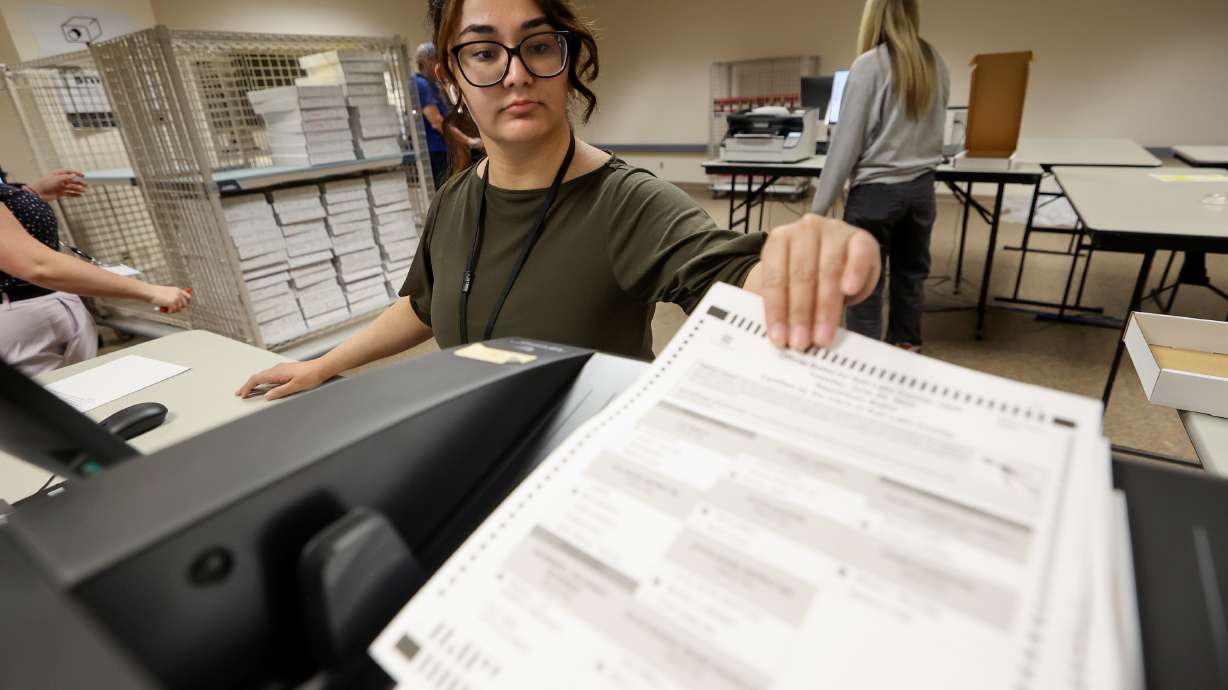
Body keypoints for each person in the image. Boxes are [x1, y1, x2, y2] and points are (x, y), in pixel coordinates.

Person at [237, 0, 880, 401]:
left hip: (582, 479)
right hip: (477, 446)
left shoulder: (628, 204)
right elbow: (425, 305)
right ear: (452, 79)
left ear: (568, 61)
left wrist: (818, 258)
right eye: (484, 52)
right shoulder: (458, 197)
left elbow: (741, 275)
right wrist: (322, 365)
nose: (515, 72)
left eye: (538, 46)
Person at [811, 0, 949, 351]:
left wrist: (816, 211)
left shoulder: (869, 65)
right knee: (911, 276)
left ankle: (865, 362)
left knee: (864, 284)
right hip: (921, 191)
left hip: (876, 195)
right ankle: (906, 352)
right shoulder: (935, 61)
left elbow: (846, 144)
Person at [0, 169, 192, 375]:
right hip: (19, 314)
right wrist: (148, 291)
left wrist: (30, 194)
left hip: (47, 306)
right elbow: (37, 265)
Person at [415, 42, 482, 189]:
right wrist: (469, 141)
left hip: (441, 147)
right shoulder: (422, 84)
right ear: (427, 61)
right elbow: (436, 121)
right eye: (436, 60)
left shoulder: (430, 84)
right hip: (434, 150)